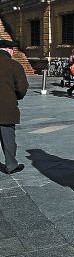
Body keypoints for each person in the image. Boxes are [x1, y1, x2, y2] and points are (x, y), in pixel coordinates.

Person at [0, 39, 29, 174]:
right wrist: (14, 96)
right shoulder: (14, 65)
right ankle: (11, 165)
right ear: (8, 50)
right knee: (8, 139)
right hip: (6, 109)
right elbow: (22, 88)